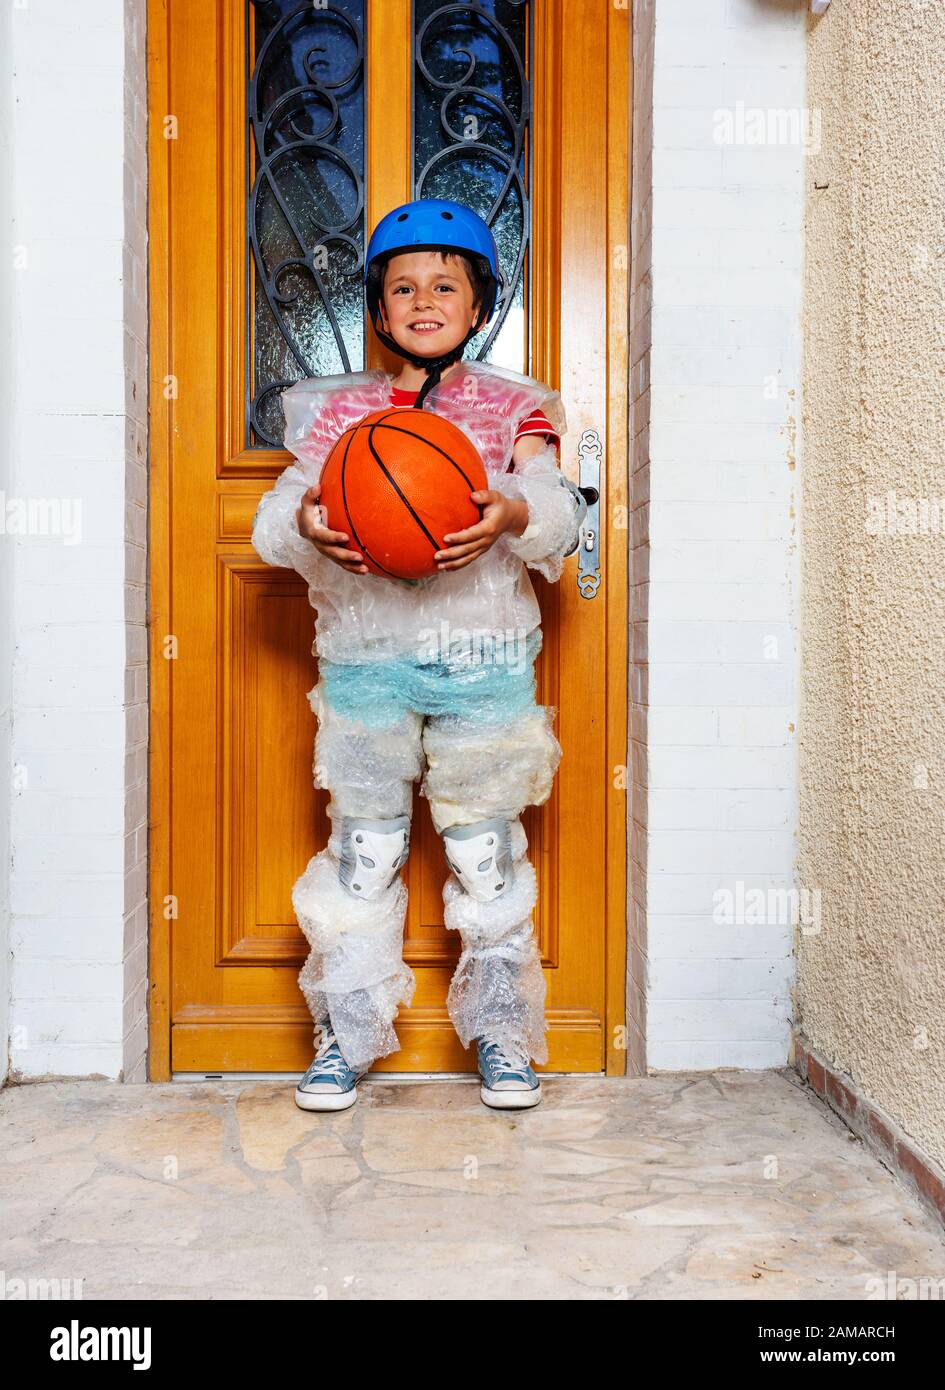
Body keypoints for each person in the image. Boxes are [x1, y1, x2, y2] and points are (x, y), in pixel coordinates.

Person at [251, 197, 586, 1113]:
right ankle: (345, 1036)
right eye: (402, 286)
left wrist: (512, 512)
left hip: (482, 657)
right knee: (365, 848)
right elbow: (273, 519)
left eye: (446, 284)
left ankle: (503, 1037)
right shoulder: (337, 415)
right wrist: (312, 524)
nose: (423, 300)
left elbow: (556, 508)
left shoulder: (517, 406)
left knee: (482, 853)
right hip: (366, 658)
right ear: (376, 306)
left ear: (478, 305)